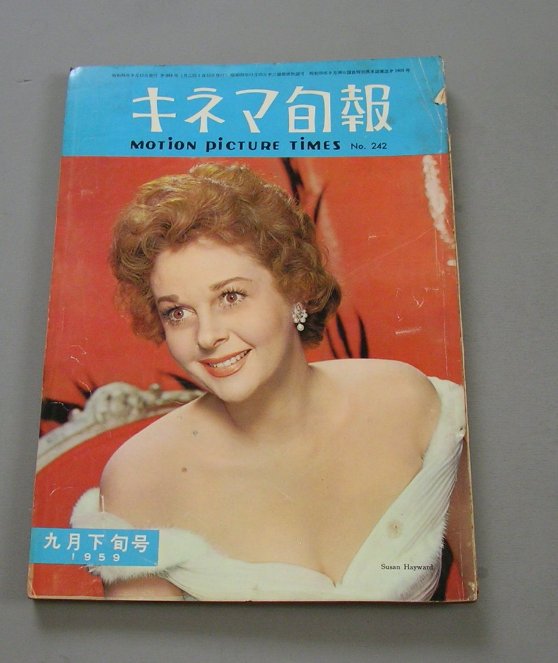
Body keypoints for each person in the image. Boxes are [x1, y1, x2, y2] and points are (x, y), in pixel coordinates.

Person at [71, 163, 465, 601]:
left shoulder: (404, 400)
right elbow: (137, 638)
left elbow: (486, 582)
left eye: (230, 296)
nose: (206, 336)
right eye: (177, 312)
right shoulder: (138, 479)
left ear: (294, 289)